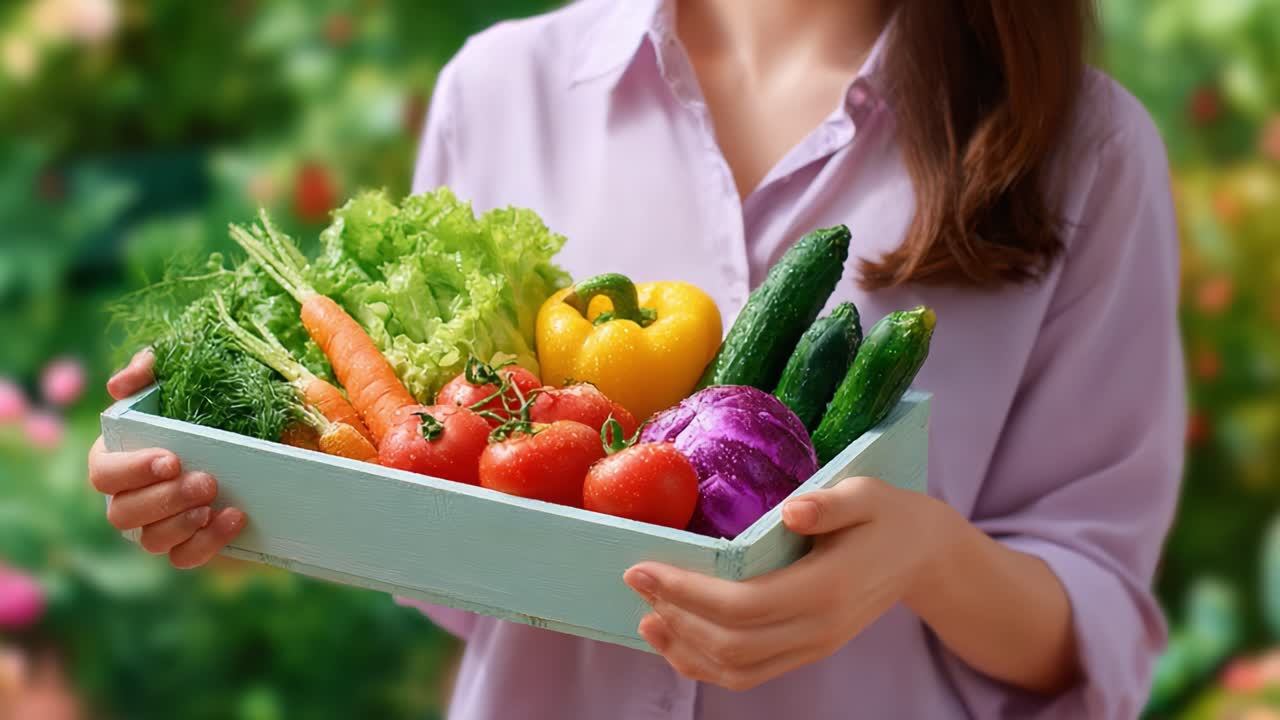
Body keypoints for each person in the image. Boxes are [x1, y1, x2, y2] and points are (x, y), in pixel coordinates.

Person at [87, 0, 1185, 717]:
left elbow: (1094, 615)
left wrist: (922, 558)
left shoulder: (1080, 151)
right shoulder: (503, 87)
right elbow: (456, 539)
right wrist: (250, 467)